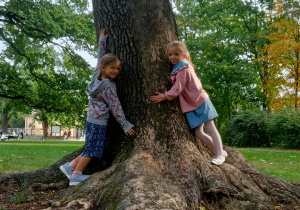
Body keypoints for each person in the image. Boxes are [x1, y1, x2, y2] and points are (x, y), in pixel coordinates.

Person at [60, 29, 135, 186]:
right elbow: (116, 107)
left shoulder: (96, 75)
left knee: (90, 146)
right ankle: (76, 175)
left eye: (118, 69)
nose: (115, 71)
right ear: (104, 67)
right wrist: (125, 124)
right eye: (112, 68)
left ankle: (69, 167)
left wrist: (102, 41)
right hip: (99, 121)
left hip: (90, 119)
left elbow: (100, 57)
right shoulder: (109, 86)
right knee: (93, 150)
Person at [150, 41, 227, 166]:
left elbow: (177, 89)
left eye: (176, 54)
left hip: (200, 100)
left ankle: (219, 155)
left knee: (211, 127)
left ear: (184, 55)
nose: (172, 57)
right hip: (190, 104)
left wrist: (164, 96)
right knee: (198, 132)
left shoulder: (183, 69)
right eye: (170, 55)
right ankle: (220, 151)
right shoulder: (179, 68)